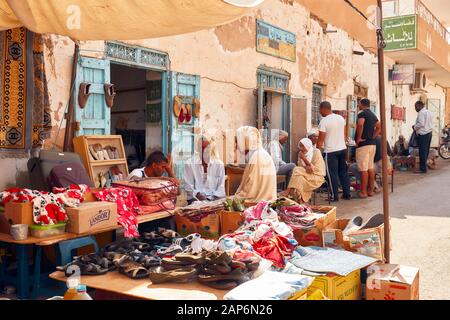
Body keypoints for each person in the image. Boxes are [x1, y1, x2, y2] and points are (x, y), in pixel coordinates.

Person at [316, 101, 351, 202]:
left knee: (332, 174)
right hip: (342, 149)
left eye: (319, 110)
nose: (319, 112)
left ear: (323, 109)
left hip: (331, 151)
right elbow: (344, 134)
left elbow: (320, 140)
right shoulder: (340, 118)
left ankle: (334, 196)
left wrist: (317, 152)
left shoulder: (324, 121)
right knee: (343, 172)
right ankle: (347, 194)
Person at [234, 126, 277, 203]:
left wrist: (235, 198)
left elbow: (251, 191)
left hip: (258, 203)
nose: (236, 146)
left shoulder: (257, 157)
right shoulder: (258, 154)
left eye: (237, 141)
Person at [183, 134, 226, 203]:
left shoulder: (219, 164)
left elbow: (221, 188)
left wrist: (209, 200)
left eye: (206, 148)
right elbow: (188, 186)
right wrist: (198, 195)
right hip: (195, 200)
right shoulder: (189, 163)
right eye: (201, 148)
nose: (203, 151)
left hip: (214, 200)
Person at [282, 138, 326, 203]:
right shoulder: (300, 153)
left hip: (317, 176)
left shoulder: (316, 152)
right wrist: (306, 166)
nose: (301, 148)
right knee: (299, 178)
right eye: (300, 146)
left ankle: (288, 191)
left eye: (303, 146)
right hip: (305, 175)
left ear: (307, 145)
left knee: (296, 169)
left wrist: (304, 159)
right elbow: (303, 169)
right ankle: (300, 200)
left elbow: (315, 170)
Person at [354, 98, 381, 198]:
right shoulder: (373, 115)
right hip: (372, 144)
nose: (358, 105)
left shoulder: (362, 113)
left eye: (359, 103)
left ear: (362, 104)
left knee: (363, 169)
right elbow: (379, 127)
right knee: (370, 168)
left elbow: (360, 124)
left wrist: (359, 138)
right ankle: (370, 191)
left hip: (364, 145)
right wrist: (373, 136)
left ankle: (363, 192)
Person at [413, 100, 433, 174]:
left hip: (423, 134)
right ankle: (424, 166)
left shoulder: (421, 113)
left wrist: (414, 127)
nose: (415, 109)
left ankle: (423, 169)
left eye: (415, 107)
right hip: (429, 133)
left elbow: (421, 123)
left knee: (422, 152)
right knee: (426, 151)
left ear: (419, 106)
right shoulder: (428, 111)